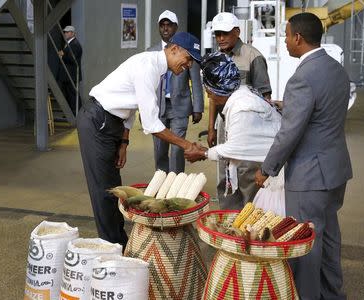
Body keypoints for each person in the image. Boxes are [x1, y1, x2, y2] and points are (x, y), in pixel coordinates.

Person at [255, 13, 352, 299]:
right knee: (329, 239)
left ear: (298, 38)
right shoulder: (336, 70)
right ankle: (333, 294)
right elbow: (325, 112)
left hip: (310, 175)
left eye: (286, 35)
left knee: (305, 243)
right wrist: (291, 105)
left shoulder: (301, 79)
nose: (284, 41)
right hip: (335, 171)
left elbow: (289, 134)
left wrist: (267, 169)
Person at [77, 32, 202, 249]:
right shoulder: (148, 67)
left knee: (114, 189)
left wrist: (123, 143)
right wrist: (187, 145)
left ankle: (118, 243)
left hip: (112, 123)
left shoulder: (154, 67)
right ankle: (112, 250)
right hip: (98, 120)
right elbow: (152, 125)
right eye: (188, 58)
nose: (188, 65)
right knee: (104, 192)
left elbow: (132, 106)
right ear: (174, 49)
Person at [185, 52, 281, 210]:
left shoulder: (241, 108)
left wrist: (203, 153)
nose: (208, 94)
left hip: (270, 169)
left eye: (209, 89)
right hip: (267, 163)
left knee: (256, 208)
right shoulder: (241, 93)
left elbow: (234, 148)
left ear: (218, 89)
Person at [208, 12, 272, 207]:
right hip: (224, 124)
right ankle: (227, 221)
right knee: (225, 173)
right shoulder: (215, 58)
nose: (220, 38)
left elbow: (265, 100)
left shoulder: (253, 56)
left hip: (247, 128)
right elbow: (213, 95)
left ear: (237, 31)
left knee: (246, 176)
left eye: (225, 33)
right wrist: (212, 127)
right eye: (217, 34)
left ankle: (249, 222)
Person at [147, 10, 204, 173]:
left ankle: (176, 181)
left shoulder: (186, 49)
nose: (165, 29)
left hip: (180, 105)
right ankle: (162, 180)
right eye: (162, 25)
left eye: (169, 25)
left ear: (176, 27)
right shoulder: (151, 52)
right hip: (159, 106)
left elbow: (196, 79)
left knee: (177, 148)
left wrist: (198, 107)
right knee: (159, 149)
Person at [58, 25, 82, 115]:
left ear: (72, 33)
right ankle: (71, 112)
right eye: (65, 32)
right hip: (67, 75)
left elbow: (73, 59)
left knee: (72, 94)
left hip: (71, 74)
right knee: (69, 94)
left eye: (67, 32)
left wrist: (62, 55)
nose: (65, 34)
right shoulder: (69, 43)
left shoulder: (75, 44)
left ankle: (76, 112)